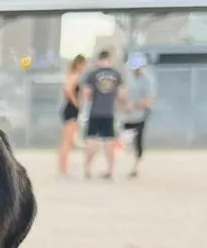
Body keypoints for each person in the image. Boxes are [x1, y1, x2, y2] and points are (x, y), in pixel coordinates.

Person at [82, 49, 125, 180]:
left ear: (99, 59)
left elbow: (87, 94)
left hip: (95, 112)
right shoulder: (116, 74)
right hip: (109, 112)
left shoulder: (92, 74)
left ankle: (87, 169)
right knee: (109, 142)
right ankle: (110, 170)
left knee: (91, 141)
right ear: (110, 59)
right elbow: (122, 95)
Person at [122, 52, 155, 178]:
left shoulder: (148, 80)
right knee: (123, 140)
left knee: (138, 141)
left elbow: (149, 101)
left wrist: (134, 104)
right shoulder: (130, 78)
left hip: (141, 115)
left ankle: (136, 166)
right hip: (128, 115)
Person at [57, 53, 86, 176]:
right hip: (71, 109)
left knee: (70, 141)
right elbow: (67, 89)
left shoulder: (71, 75)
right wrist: (76, 102)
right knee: (67, 141)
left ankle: (64, 167)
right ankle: (63, 168)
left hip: (70, 109)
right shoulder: (75, 76)